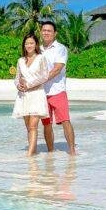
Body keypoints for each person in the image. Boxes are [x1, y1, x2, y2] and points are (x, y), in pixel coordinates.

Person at [19, 20, 76, 155]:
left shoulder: (60, 48)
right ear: (40, 32)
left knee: (65, 120)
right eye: (44, 30)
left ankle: (72, 151)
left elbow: (57, 69)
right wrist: (22, 82)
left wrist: (34, 82)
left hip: (57, 90)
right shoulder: (38, 50)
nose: (46, 33)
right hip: (41, 93)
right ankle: (50, 153)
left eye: (49, 31)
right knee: (47, 123)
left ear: (55, 33)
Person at [12, 33, 50, 156]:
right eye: (27, 43)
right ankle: (33, 152)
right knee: (28, 127)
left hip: (36, 94)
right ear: (24, 45)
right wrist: (18, 85)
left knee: (33, 126)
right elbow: (17, 78)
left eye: (31, 43)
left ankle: (29, 154)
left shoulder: (40, 58)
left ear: (36, 45)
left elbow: (44, 76)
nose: (29, 45)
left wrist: (28, 85)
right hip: (23, 96)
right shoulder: (20, 60)